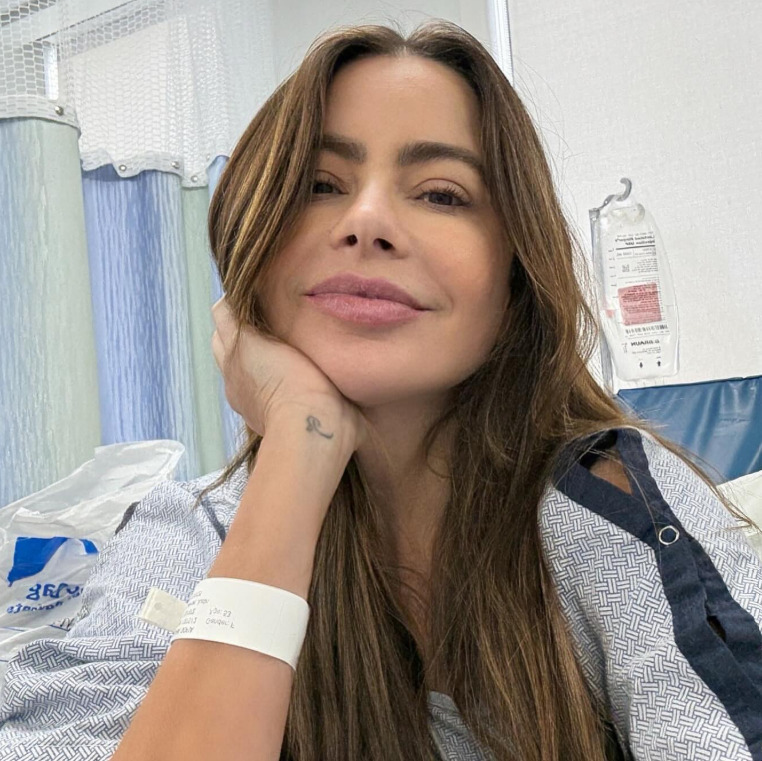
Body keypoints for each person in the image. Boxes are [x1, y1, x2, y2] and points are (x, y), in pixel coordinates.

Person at [0, 17, 760, 761]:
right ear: (251, 249)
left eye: (441, 194)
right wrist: (299, 446)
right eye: (320, 185)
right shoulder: (187, 533)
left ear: (515, 277)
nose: (366, 222)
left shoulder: (610, 493)